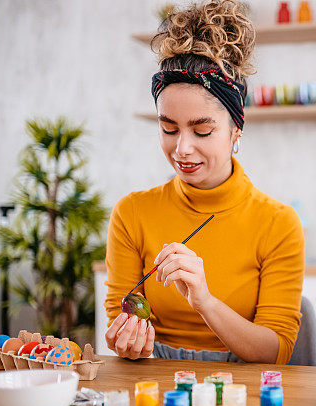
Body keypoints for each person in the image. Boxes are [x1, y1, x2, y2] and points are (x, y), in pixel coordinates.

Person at [104, 1, 304, 364]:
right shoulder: (132, 213)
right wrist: (128, 341)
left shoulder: (278, 224)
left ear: (235, 130)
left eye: (202, 130)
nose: (182, 149)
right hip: (156, 385)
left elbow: (275, 352)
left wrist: (204, 302)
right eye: (168, 128)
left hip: (243, 392)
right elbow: (119, 320)